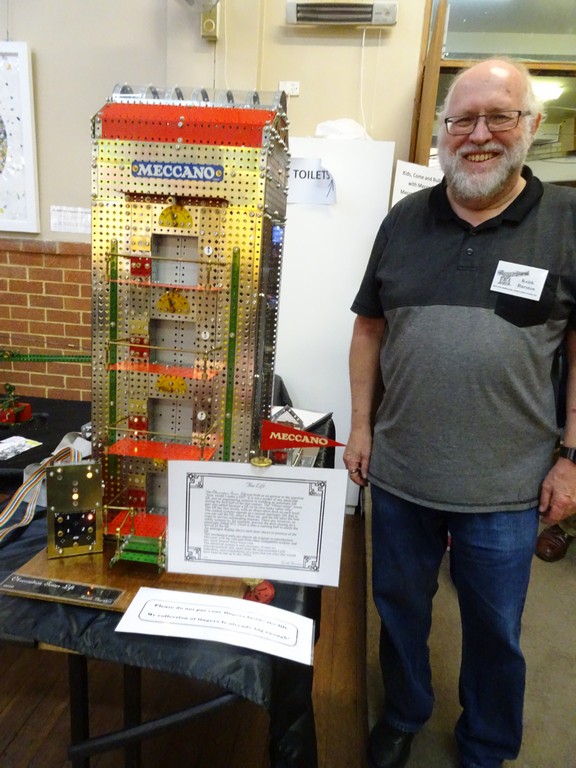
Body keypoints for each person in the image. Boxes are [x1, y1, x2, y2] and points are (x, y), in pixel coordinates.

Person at [343, 57, 576, 768]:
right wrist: (360, 427)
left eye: (499, 116)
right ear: (443, 131)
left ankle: (486, 744)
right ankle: (405, 712)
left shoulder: (566, 221)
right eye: (463, 119)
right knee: (399, 608)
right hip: (401, 473)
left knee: (495, 628)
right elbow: (369, 328)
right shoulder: (404, 220)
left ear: (531, 125)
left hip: (507, 486)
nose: (479, 135)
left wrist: (571, 458)